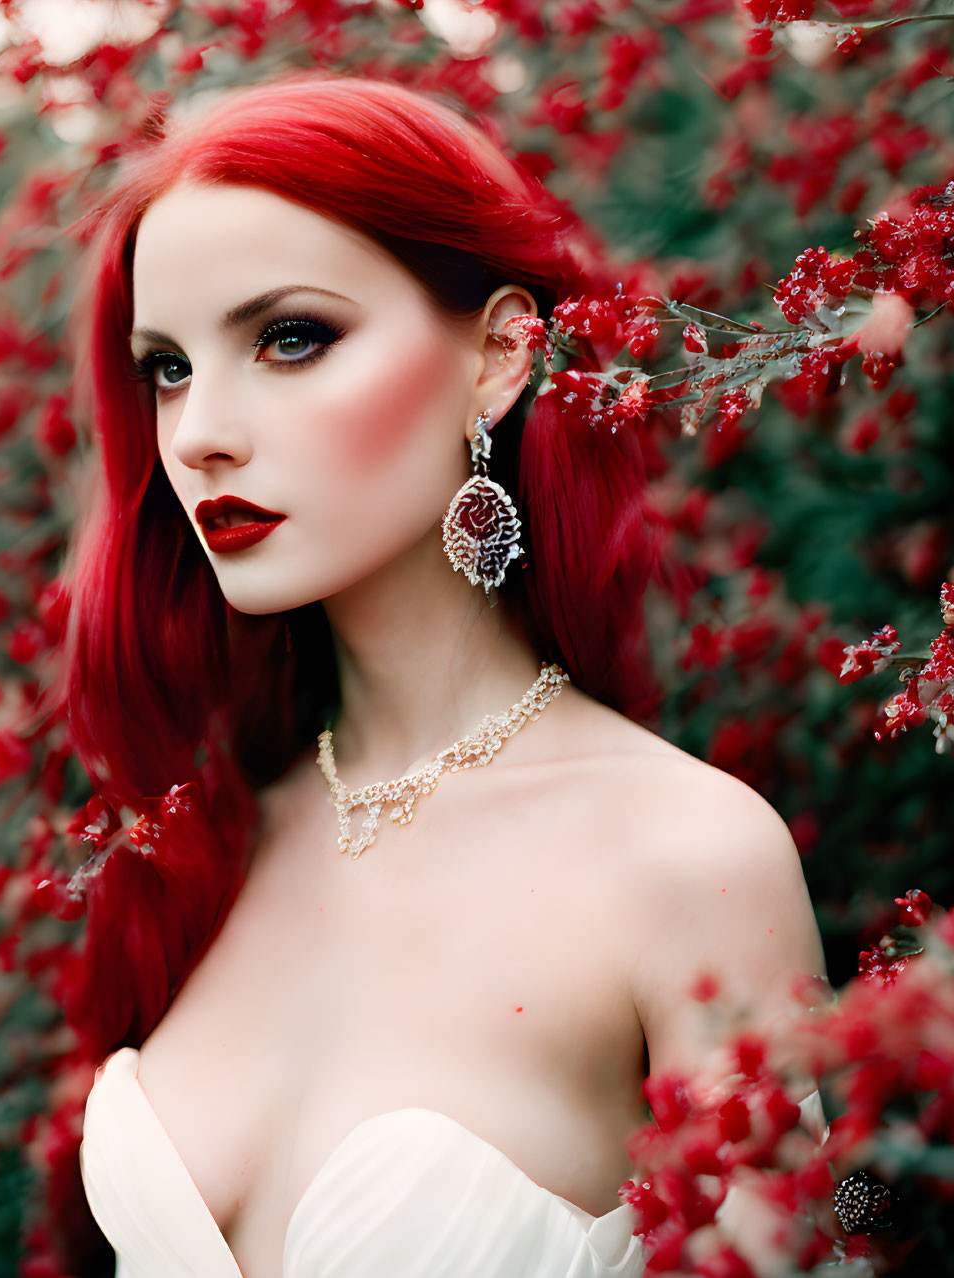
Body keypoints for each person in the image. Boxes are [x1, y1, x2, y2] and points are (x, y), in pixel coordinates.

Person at [50, 68, 830, 1278]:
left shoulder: (685, 859)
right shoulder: (201, 846)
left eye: (288, 337)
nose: (199, 428)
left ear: (498, 356)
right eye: (167, 366)